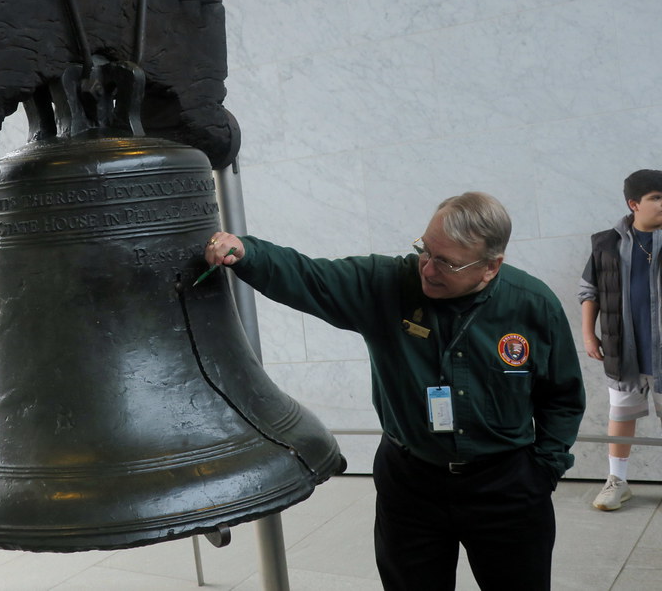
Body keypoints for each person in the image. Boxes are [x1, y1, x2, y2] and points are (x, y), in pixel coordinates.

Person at [203, 191, 584, 591]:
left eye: (447, 263)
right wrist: (247, 253)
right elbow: (310, 277)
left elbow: (562, 395)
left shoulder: (532, 306)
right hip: (411, 485)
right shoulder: (386, 284)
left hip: (506, 487)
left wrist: (544, 469)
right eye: (425, 250)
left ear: (491, 267)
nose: (429, 270)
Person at [579, 169, 662, 511]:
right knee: (621, 415)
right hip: (623, 348)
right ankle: (618, 481)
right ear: (633, 204)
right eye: (656, 197)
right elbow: (589, 290)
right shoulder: (605, 243)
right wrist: (588, 334)